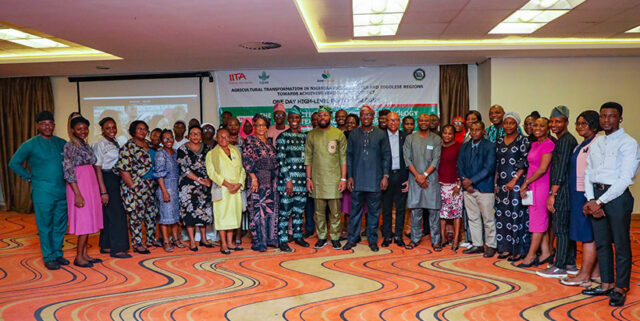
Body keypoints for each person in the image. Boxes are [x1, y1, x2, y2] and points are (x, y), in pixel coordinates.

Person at [582, 102, 640, 307]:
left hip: (617, 198)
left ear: (620, 119)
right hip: (596, 195)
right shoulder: (597, 141)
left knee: (621, 244)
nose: (606, 120)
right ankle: (606, 283)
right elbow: (589, 171)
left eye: (612, 116)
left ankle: (620, 287)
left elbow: (625, 178)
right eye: (603, 116)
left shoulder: (628, 143)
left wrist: (599, 201)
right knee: (602, 243)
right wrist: (590, 199)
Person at [9, 111, 69, 270]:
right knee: (45, 225)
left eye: (50, 123)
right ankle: (48, 256)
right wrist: (29, 177)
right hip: (43, 192)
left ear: (54, 125)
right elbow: (14, 163)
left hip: (62, 191)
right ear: (37, 126)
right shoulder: (30, 144)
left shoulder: (61, 143)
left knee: (60, 225)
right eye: (43, 124)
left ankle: (58, 253)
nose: (47, 127)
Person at [560, 110, 600, 287]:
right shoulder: (581, 144)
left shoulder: (598, 142)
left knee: (588, 236)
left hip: (587, 195)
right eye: (578, 124)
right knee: (586, 234)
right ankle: (595, 274)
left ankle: (584, 275)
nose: (580, 127)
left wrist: (591, 199)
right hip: (577, 193)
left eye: (584, 123)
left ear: (594, 124)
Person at [538, 106, 579, 278]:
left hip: (562, 192)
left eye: (558, 121)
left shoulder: (564, 141)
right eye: (552, 121)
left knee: (561, 229)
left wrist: (552, 194)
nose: (554, 125)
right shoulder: (564, 139)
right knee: (565, 229)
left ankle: (559, 265)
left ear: (566, 122)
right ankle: (570, 263)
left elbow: (561, 170)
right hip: (564, 191)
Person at [343, 105, 390, 252]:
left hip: (375, 181)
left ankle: (372, 240)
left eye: (369, 115)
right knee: (355, 211)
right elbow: (349, 157)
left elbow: (386, 157)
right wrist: (349, 176)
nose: (366, 118)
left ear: (373, 117)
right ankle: (352, 239)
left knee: (374, 213)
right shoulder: (354, 134)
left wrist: (385, 176)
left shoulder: (381, 134)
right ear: (360, 117)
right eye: (363, 115)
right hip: (357, 180)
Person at [63, 115, 104, 267]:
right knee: (83, 221)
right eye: (79, 129)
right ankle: (78, 257)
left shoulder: (84, 144)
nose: (83, 131)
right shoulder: (70, 146)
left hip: (90, 183)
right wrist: (77, 194)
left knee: (89, 220)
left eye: (85, 128)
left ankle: (85, 254)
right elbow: (68, 171)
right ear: (72, 130)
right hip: (79, 185)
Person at [305, 105, 347, 249]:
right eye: (320, 115)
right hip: (317, 180)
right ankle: (322, 236)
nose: (322, 117)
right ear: (317, 117)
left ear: (330, 117)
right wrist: (308, 179)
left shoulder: (338, 134)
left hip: (335, 180)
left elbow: (343, 158)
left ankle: (335, 237)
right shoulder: (311, 135)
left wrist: (343, 179)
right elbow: (308, 159)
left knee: (335, 212)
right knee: (319, 213)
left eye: (325, 115)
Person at [115, 120, 159, 254]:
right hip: (137, 185)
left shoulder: (150, 145)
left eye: (145, 129)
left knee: (151, 213)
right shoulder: (128, 147)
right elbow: (123, 170)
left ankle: (151, 239)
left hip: (151, 185)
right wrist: (133, 187)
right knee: (136, 216)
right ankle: (138, 243)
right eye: (139, 129)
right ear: (133, 131)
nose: (142, 131)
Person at [518, 117, 554, 267]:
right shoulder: (534, 144)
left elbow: (542, 169)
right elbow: (531, 167)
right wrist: (526, 184)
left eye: (541, 125)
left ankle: (531, 255)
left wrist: (526, 182)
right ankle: (545, 252)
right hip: (532, 184)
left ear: (548, 128)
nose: (537, 127)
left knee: (538, 222)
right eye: (535, 125)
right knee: (537, 220)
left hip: (541, 186)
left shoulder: (548, 144)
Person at [494, 112, 530, 261]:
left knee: (517, 216)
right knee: (502, 216)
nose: (508, 125)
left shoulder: (523, 140)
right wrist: (496, 184)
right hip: (501, 185)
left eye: (512, 123)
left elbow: (525, 162)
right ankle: (505, 248)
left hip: (517, 183)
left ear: (517, 125)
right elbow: (497, 163)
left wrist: (514, 180)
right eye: (506, 123)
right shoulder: (500, 140)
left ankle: (519, 250)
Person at [93, 117, 130, 258]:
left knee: (108, 215)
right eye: (108, 128)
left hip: (115, 178)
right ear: (102, 129)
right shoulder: (100, 144)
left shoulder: (115, 142)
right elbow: (98, 168)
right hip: (106, 179)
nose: (112, 130)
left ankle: (106, 245)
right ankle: (118, 249)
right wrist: (103, 191)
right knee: (117, 215)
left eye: (113, 127)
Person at [458, 121, 497, 257]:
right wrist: (465, 182)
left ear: (483, 131)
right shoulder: (465, 147)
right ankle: (477, 244)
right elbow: (460, 166)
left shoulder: (490, 146)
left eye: (478, 130)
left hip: (484, 188)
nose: (475, 132)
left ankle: (491, 245)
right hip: (467, 189)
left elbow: (489, 168)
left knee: (488, 219)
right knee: (473, 218)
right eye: (472, 130)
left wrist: (472, 181)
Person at [403, 113, 442, 250]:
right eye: (421, 120)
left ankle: (436, 240)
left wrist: (424, 175)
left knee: (434, 211)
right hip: (414, 179)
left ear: (430, 122)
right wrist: (418, 176)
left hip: (431, 180)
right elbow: (407, 159)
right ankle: (415, 239)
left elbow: (436, 159)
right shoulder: (410, 138)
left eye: (426, 120)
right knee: (416, 212)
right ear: (418, 122)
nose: (424, 122)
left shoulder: (436, 139)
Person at [242, 114, 280, 252]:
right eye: (258, 125)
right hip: (256, 181)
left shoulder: (269, 142)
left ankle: (270, 238)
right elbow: (246, 160)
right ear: (254, 127)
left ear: (267, 127)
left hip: (271, 182)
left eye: (263, 125)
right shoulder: (250, 140)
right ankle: (260, 241)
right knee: (258, 211)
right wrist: (253, 177)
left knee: (270, 210)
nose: (260, 128)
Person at [276, 106, 310, 252]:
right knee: (284, 213)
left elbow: (309, 160)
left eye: (297, 118)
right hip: (287, 183)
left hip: (302, 182)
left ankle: (298, 236)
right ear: (288, 120)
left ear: (300, 119)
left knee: (298, 212)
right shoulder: (282, 137)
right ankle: (282, 240)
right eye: (291, 118)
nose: (294, 121)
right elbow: (281, 160)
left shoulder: (305, 137)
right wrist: (288, 180)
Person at [206, 129, 246, 254]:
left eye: (226, 137)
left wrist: (239, 183)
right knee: (222, 216)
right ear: (216, 138)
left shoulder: (235, 150)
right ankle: (223, 244)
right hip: (222, 188)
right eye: (221, 137)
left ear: (230, 138)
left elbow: (242, 170)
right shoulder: (212, 154)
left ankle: (230, 242)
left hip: (235, 188)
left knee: (234, 215)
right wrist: (228, 184)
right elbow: (212, 173)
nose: (224, 139)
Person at [177, 125, 214, 251]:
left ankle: (203, 239)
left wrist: (208, 180)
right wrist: (198, 180)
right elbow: (183, 168)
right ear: (188, 135)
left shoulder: (208, 148)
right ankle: (192, 241)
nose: (195, 136)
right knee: (190, 213)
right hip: (188, 186)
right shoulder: (182, 149)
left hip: (205, 185)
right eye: (193, 133)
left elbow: (211, 166)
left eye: (198, 133)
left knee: (203, 213)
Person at [380, 112, 409, 248]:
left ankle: (398, 235)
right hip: (386, 176)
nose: (393, 123)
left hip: (401, 175)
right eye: (390, 120)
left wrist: (409, 178)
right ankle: (387, 236)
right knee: (386, 208)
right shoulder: (380, 136)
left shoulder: (406, 137)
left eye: (396, 120)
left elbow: (410, 159)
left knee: (400, 208)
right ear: (386, 122)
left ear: (399, 122)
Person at [154, 129, 183, 252]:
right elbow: (159, 174)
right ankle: (166, 241)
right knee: (165, 218)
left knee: (175, 217)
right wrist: (164, 191)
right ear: (161, 141)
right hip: (165, 187)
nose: (168, 140)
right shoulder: (160, 154)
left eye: (170, 138)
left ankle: (175, 239)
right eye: (165, 138)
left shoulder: (175, 152)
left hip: (175, 187)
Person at [438, 125, 463, 251]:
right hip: (441, 184)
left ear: (454, 135)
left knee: (456, 214)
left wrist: (459, 184)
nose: (447, 135)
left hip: (454, 185)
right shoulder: (439, 146)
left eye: (450, 133)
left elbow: (462, 166)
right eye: (445, 133)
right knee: (442, 213)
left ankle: (456, 238)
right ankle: (442, 237)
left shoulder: (459, 147)